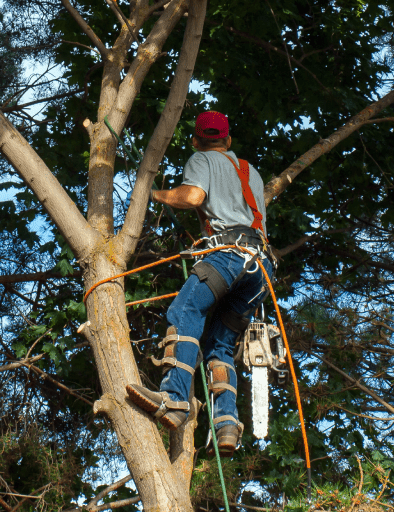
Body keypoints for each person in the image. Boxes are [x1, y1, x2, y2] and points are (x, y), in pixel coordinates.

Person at [126, 111, 274, 456]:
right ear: (228, 140)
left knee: (185, 310)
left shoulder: (201, 159)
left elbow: (193, 197)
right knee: (220, 345)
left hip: (229, 256)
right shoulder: (250, 171)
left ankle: (175, 399)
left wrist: (155, 194)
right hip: (261, 269)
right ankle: (227, 425)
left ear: (196, 140)